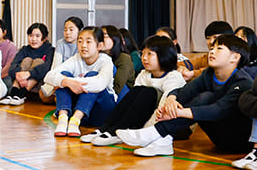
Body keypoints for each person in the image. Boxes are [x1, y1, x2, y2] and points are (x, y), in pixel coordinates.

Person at [117, 34, 253, 157]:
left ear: (235, 57)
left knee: (206, 97)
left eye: (219, 49)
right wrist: (171, 100)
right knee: (199, 96)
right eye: (212, 47)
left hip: (240, 142)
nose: (212, 51)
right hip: (219, 139)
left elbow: (219, 110)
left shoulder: (243, 82)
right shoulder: (208, 74)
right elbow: (186, 91)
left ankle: (155, 133)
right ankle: (162, 141)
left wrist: (178, 113)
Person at [81, 35, 185, 146]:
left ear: (164, 55)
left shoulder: (174, 77)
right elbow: (133, 104)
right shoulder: (144, 74)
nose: (144, 58)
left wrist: (147, 132)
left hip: (172, 126)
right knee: (136, 91)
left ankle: (117, 132)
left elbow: (165, 106)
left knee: (149, 92)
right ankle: (106, 128)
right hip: (145, 121)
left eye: (150, 54)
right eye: (143, 53)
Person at [43, 27, 116, 138]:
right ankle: (63, 119)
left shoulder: (105, 60)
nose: (83, 45)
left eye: (88, 41)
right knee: (64, 75)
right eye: (80, 41)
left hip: (102, 111)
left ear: (99, 46)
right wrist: (65, 81)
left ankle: (75, 120)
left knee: (91, 76)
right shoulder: (76, 58)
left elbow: (99, 84)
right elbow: (48, 76)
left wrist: (70, 82)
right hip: (81, 111)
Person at [1, 22, 54, 106]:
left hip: (39, 85)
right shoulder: (24, 49)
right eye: (31, 35)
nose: (33, 39)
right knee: (27, 60)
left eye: (37, 36)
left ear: (44, 38)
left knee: (38, 62)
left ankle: (20, 95)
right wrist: (20, 75)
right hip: (20, 82)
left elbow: (47, 68)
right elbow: (12, 68)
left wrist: (28, 74)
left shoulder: (50, 50)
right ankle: (14, 94)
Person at [41, 16, 82, 99]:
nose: (67, 32)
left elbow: (80, 69)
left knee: (59, 97)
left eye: (71, 30)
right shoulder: (60, 43)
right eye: (65, 29)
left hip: (75, 78)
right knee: (43, 95)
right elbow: (56, 65)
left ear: (79, 31)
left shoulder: (82, 44)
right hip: (60, 75)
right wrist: (57, 82)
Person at [101, 25, 135, 98]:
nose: (101, 39)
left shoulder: (124, 58)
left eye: (105, 36)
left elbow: (117, 87)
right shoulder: (99, 57)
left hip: (122, 96)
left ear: (115, 39)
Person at [0, 19, 17, 88]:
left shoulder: (11, 46)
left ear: (4, 32)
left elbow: (9, 67)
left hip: (4, 76)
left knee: (8, 82)